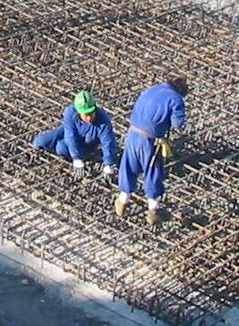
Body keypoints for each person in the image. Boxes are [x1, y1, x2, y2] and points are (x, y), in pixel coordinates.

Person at [115, 76, 189, 223]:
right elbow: (177, 123)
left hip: (132, 133)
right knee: (152, 171)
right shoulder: (176, 99)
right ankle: (153, 212)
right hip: (149, 139)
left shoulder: (152, 89)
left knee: (128, 167)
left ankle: (122, 203)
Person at [33, 91, 118, 182]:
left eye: (91, 113)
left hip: (87, 142)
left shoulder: (103, 120)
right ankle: (57, 146)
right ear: (78, 111)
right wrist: (76, 158)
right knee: (39, 141)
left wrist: (108, 164)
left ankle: (61, 149)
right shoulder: (70, 112)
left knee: (61, 147)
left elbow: (108, 143)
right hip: (70, 130)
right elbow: (70, 136)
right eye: (86, 115)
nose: (89, 118)